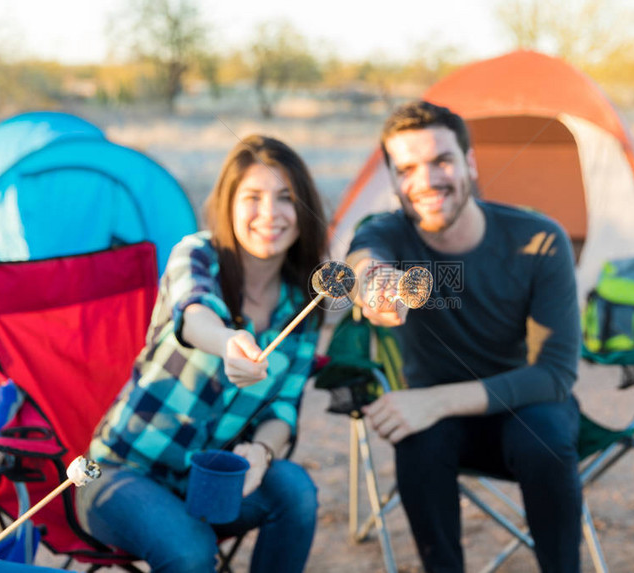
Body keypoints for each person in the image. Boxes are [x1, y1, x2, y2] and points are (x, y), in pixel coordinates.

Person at [347, 101, 583, 573]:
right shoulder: (387, 233)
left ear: (470, 163)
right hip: (441, 429)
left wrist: (435, 401)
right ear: (393, 181)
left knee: (545, 438)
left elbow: (555, 375)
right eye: (407, 169)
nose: (427, 182)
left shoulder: (539, 240)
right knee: (417, 441)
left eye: (442, 161)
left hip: (526, 408)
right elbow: (365, 258)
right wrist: (373, 283)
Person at [77, 135, 326, 573]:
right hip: (119, 473)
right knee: (190, 552)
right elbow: (193, 315)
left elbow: (284, 407)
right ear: (229, 204)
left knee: (295, 490)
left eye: (286, 198)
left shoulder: (303, 302)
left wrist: (262, 452)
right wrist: (229, 342)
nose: (270, 214)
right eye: (253, 197)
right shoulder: (198, 255)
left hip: (214, 482)